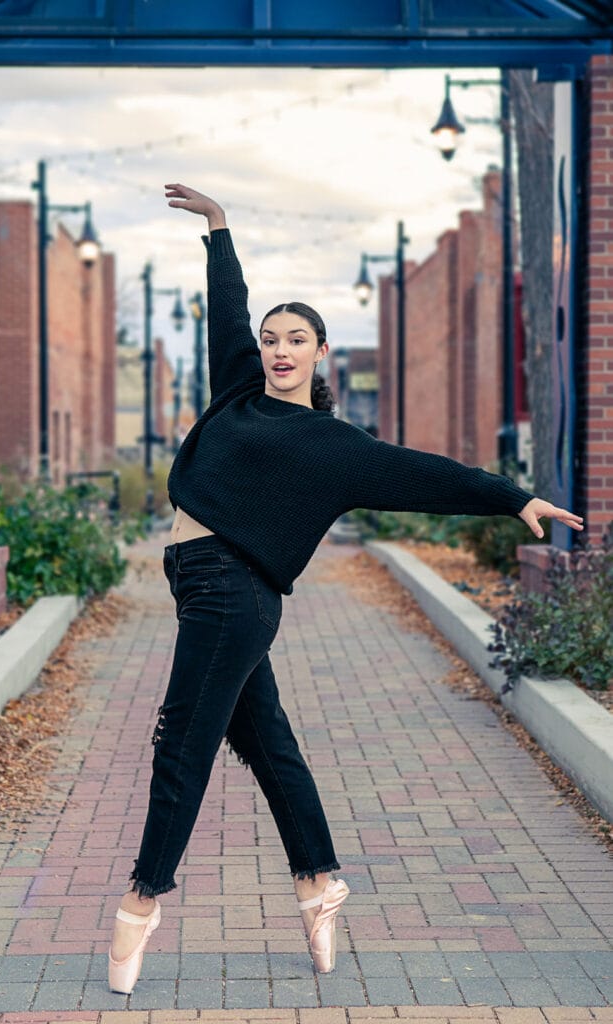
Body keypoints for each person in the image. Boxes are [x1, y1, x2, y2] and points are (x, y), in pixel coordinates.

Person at [108, 184, 585, 994]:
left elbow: (421, 473)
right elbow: (229, 310)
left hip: (235, 595)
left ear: (321, 352)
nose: (278, 349)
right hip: (199, 589)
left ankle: (137, 908)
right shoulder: (236, 389)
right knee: (266, 744)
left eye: (295, 339)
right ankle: (319, 883)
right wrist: (220, 230)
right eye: (270, 340)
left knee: (180, 741)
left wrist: (511, 496)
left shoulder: (333, 445)